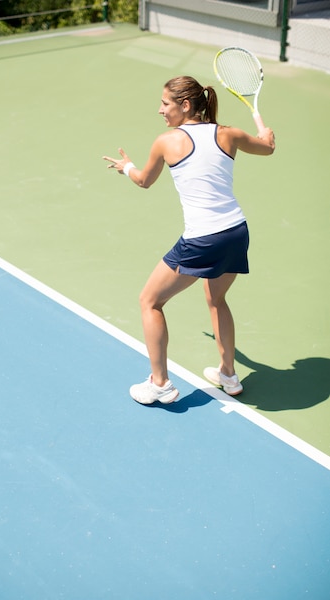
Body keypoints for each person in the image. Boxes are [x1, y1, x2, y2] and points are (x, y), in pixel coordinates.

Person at [103, 75, 275, 405]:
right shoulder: (229, 134)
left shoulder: (167, 141)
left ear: (184, 106)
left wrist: (127, 167)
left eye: (165, 103)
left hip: (203, 240)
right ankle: (229, 374)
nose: (160, 110)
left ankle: (160, 384)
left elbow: (143, 181)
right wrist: (266, 137)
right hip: (236, 232)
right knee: (216, 299)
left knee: (150, 301)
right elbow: (266, 148)